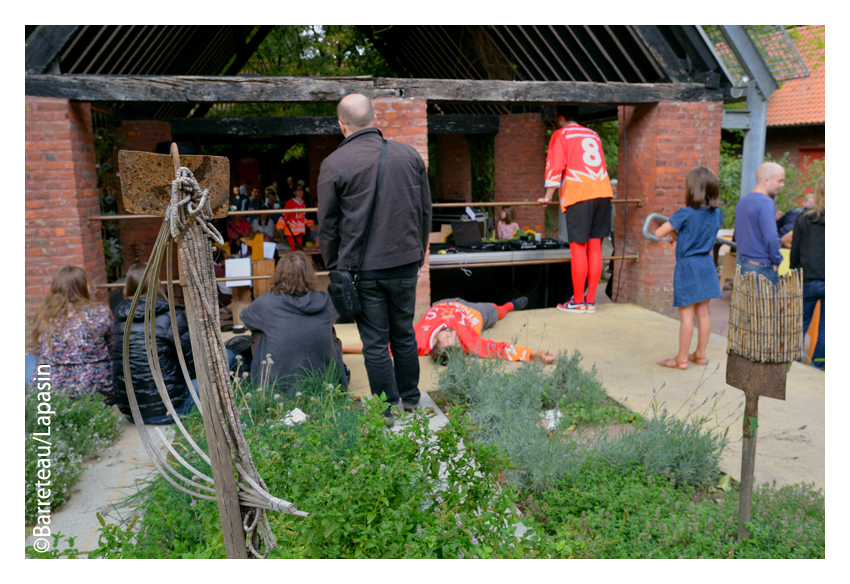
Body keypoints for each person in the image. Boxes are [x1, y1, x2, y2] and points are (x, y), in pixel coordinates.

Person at [318, 93, 432, 427]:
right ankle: (411, 400)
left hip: (360, 268)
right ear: (375, 118)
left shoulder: (334, 164)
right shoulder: (409, 155)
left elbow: (328, 224)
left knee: (375, 342)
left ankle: (386, 410)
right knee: (404, 333)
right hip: (405, 262)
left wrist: (335, 268)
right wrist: (419, 251)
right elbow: (425, 210)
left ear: (341, 126)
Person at [537, 105, 613, 314]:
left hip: (580, 192)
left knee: (578, 247)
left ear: (560, 118)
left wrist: (547, 196)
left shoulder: (561, 134)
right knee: (595, 245)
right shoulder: (593, 134)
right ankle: (590, 301)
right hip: (603, 190)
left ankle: (577, 301)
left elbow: (556, 166)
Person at [239, 252, 349, 393]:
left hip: (277, 385)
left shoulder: (266, 302)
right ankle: (332, 377)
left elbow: (245, 317)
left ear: (279, 274)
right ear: (310, 274)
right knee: (329, 331)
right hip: (324, 382)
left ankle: (265, 379)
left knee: (260, 332)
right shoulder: (326, 301)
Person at [653, 167, 724, 370]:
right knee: (703, 313)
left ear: (692, 190)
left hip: (688, 266)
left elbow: (659, 232)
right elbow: (701, 232)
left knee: (686, 315)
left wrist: (675, 230)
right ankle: (700, 355)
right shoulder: (717, 214)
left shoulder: (685, 213)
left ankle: (681, 359)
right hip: (707, 264)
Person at [112, 263, 197, 425]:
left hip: (131, 413)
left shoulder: (120, 314)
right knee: (229, 357)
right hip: (169, 410)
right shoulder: (172, 314)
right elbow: (192, 364)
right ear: (157, 283)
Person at [26, 266, 114, 399]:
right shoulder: (100, 311)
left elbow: (36, 350)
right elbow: (114, 347)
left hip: (49, 388)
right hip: (94, 386)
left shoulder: (45, 315)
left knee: (29, 360)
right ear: (83, 287)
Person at [422, 297, 555, 364]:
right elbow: (498, 349)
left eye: (447, 336)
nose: (452, 332)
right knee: (493, 310)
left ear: (434, 340)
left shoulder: (419, 341)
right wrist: (535, 353)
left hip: (440, 304)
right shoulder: (467, 342)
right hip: (468, 312)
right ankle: (510, 305)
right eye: (454, 338)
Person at [790, 176, 825, 370]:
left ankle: (795, 366)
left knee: (800, 325)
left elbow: (795, 250)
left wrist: (794, 271)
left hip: (808, 278)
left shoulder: (804, 218)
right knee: (826, 329)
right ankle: (818, 368)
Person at [734, 162, 784, 286]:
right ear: (766, 180)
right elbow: (771, 239)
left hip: (742, 262)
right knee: (766, 306)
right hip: (761, 266)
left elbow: (738, 235)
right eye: (779, 181)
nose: (782, 185)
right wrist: (777, 260)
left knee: (745, 305)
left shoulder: (743, 201)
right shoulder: (766, 203)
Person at [278, 184, 311, 250]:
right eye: (298, 190)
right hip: (290, 231)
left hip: (299, 230)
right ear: (294, 192)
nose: (300, 191)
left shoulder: (303, 202)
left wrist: (309, 223)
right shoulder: (289, 202)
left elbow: (302, 216)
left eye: (301, 189)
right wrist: (280, 225)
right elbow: (284, 215)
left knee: (298, 250)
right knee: (294, 250)